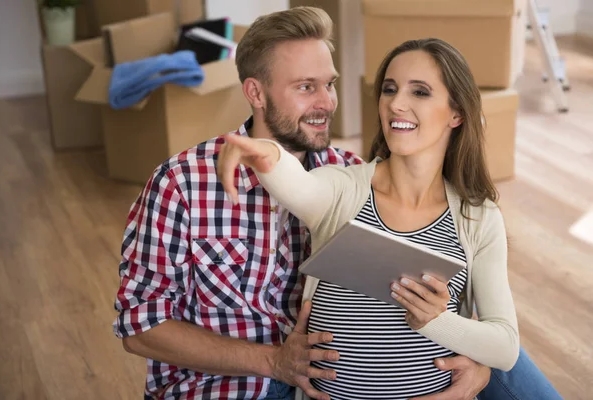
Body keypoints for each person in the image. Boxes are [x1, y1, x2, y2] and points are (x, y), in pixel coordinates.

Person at [113, 6, 562, 400]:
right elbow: (140, 327)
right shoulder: (182, 183)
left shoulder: (350, 170)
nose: (327, 102)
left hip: (331, 373)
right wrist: (271, 362)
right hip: (235, 383)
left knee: (509, 358)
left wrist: (478, 365)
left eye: (330, 84)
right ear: (255, 93)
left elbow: (459, 294)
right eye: (306, 87)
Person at [217, 38, 524, 399]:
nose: (396, 103)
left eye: (420, 92)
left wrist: (437, 321)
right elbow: (296, 185)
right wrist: (266, 152)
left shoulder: (477, 216)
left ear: (456, 113)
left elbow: (505, 347)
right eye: (389, 90)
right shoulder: (343, 188)